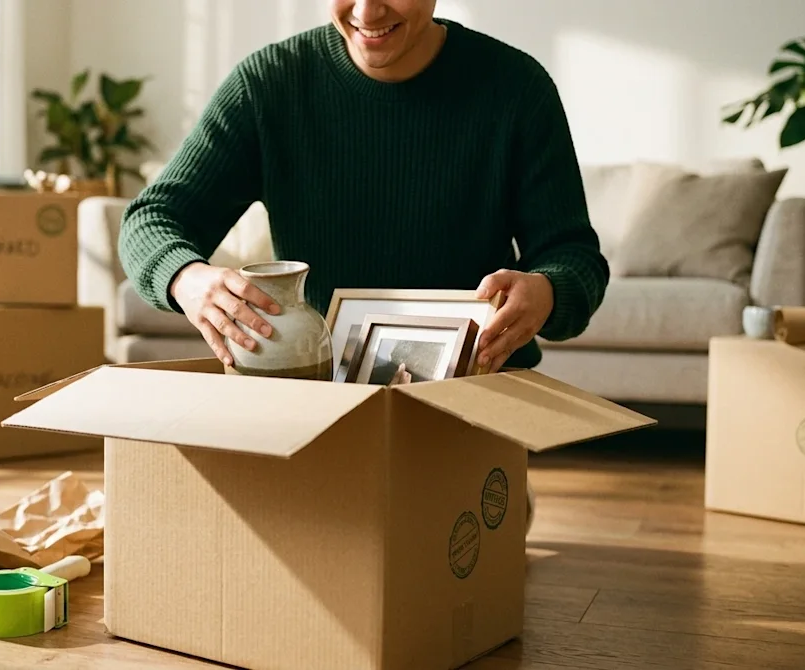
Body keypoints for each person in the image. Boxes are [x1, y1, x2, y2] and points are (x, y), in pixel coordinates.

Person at [117, 0, 610, 535]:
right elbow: (151, 218)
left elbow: (574, 255)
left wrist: (547, 290)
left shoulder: (517, 88)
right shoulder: (268, 85)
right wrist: (187, 278)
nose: (368, 11)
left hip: (469, 418)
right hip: (318, 414)